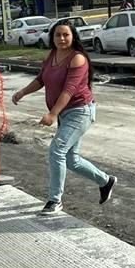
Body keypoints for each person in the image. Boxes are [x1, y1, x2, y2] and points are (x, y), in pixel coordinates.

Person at [12, 20, 116, 216]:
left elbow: (69, 90)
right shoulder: (52, 56)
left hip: (80, 111)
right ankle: (105, 180)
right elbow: (41, 79)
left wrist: (53, 114)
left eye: (66, 35)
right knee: (71, 159)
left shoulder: (78, 59)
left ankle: (55, 200)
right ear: (52, 37)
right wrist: (22, 92)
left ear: (73, 36)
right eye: (58, 35)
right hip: (65, 113)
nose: (61, 38)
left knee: (57, 150)